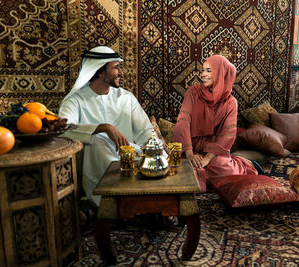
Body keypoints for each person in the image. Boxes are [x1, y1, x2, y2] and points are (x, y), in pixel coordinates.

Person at [59, 46, 153, 214]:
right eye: (116, 67)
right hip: (94, 160)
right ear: (100, 71)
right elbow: (64, 130)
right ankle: (121, 206)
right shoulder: (75, 101)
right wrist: (103, 128)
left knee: (156, 154)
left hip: (129, 156)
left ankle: (144, 204)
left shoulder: (126, 98)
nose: (121, 73)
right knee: (97, 140)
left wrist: (157, 148)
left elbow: (145, 132)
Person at [173, 55, 262, 190]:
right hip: (191, 145)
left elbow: (228, 133)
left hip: (213, 151)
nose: (203, 75)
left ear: (221, 73)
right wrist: (190, 153)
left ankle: (244, 164)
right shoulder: (193, 92)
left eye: (209, 71)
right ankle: (199, 174)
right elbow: (183, 121)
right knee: (179, 167)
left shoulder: (231, 102)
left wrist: (207, 159)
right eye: (203, 70)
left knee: (224, 168)